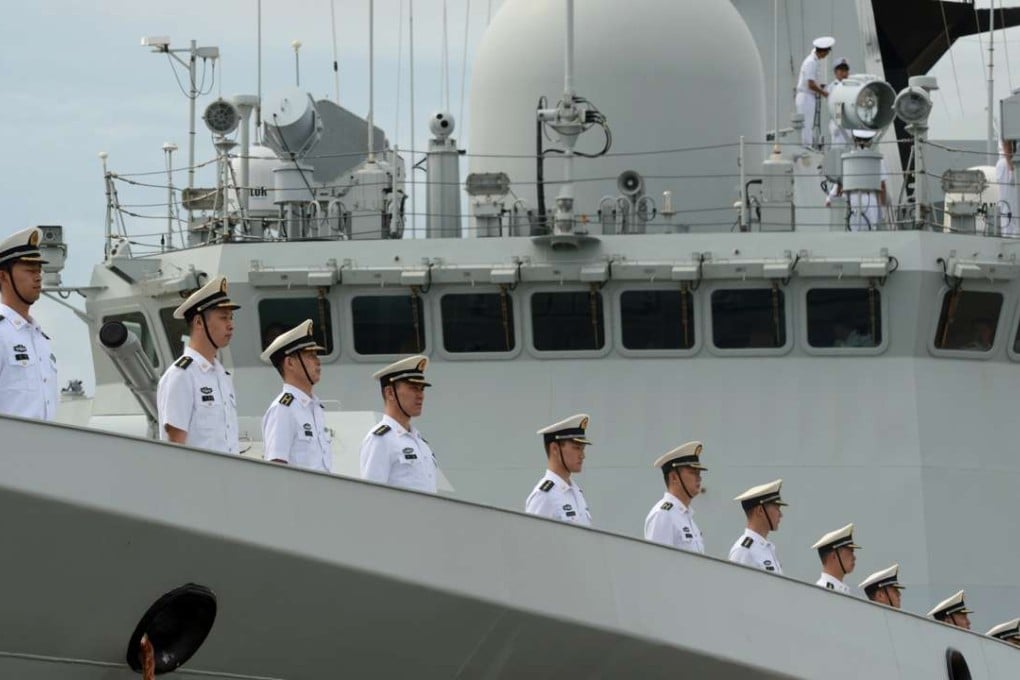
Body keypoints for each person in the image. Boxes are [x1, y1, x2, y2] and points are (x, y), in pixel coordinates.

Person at [156, 276, 241, 453]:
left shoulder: (223, 377)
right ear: (199, 322)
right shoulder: (182, 375)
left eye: (231, 318)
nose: (231, 325)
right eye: (223, 318)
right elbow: (175, 447)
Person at [260, 319, 332, 472]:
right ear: (290, 363)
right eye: (310, 356)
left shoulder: (315, 408)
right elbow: (276, 467)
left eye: (316, 355)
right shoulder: (283, 409)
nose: (318, 361)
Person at [0, 227, 57, 421]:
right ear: (3, 276)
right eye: (30, 270)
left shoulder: (40, 339)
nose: (38, 276)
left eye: (39, 270)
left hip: (42, 448)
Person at [359, 355, 438, 493]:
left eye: (422, 389)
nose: (421, 395)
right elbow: (371, 497)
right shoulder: (380, 440)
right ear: (390, 393)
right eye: (413, 388)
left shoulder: (421, 443)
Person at [525, 413, 593, 526]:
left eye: (583, 449)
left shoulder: (576, 492)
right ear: (555, 449)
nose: (582, 455)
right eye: (577, 448)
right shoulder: (544, 496)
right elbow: (531, 539)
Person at [644, 441, 707, 554]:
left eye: (699, 473)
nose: (699, 478)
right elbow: (656, 563)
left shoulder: (687, 518)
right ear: (674, 477)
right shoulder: (663, 515)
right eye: (693, 472)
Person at [729, 479, 787, 574]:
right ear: (760, 510)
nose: (780, 514)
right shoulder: (744, 550)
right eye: (777, 508)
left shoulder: (767, 548)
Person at [796, 36, 835, 147]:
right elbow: (810, 84)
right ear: (823, 51)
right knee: (806, 124)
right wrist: (824, 93)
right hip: (805, 96)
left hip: (809, 96)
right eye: (827, 52)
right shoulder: (811, 62)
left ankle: (807, 146)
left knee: (809, 123)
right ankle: (806, 147)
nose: (826, 55)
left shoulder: (814, 60)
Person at [811, 523, 860, 593]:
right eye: (850, 552)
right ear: (834, 556)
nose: (854, 557)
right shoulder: (822, 591)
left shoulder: (839, 590)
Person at [827, 58, 853, 150]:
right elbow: (836, 106)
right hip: (838, 123)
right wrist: (839, 124)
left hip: (849, 124)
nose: (844, 73)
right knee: (838, 152)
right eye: (841, 70)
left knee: (851, 151)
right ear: (835, 72)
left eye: (845, 70)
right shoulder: (833, 86)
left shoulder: (851, 85)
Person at [995, 140, 1018, 236]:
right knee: (1011, 205)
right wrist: (1011, 166)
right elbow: (1007, 141)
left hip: (1011, 160)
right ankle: (1011, 236)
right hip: (1010, 163)